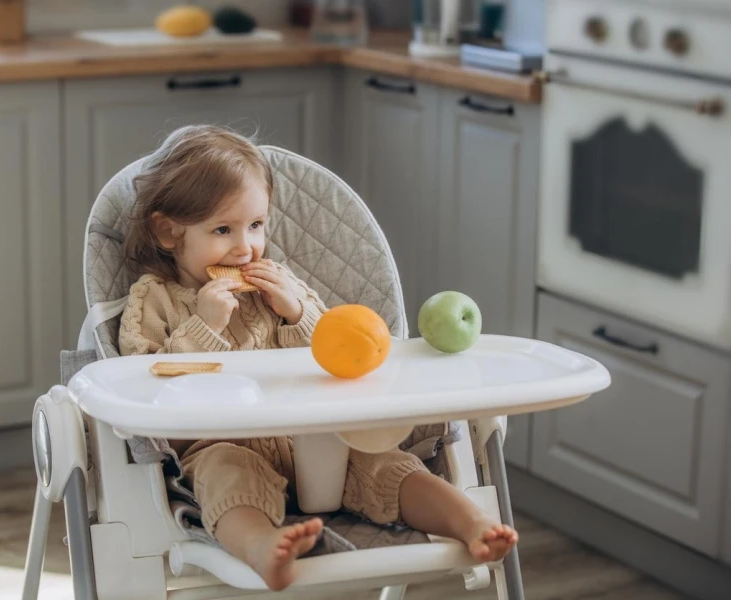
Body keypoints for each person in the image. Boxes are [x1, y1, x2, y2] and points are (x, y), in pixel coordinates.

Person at [118, 125, 518, 590]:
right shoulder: (154, 299)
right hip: (221, 443)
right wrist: (203, 327)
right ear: (169, 231)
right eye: (222, 230)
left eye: (256, 226)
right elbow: (144, 385)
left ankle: (472, 522)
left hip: (316, 438)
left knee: (383, 464)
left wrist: (298, 312)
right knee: (226, 478)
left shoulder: (280, 284)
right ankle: (264, 547)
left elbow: (339, 354)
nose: (245, 247)